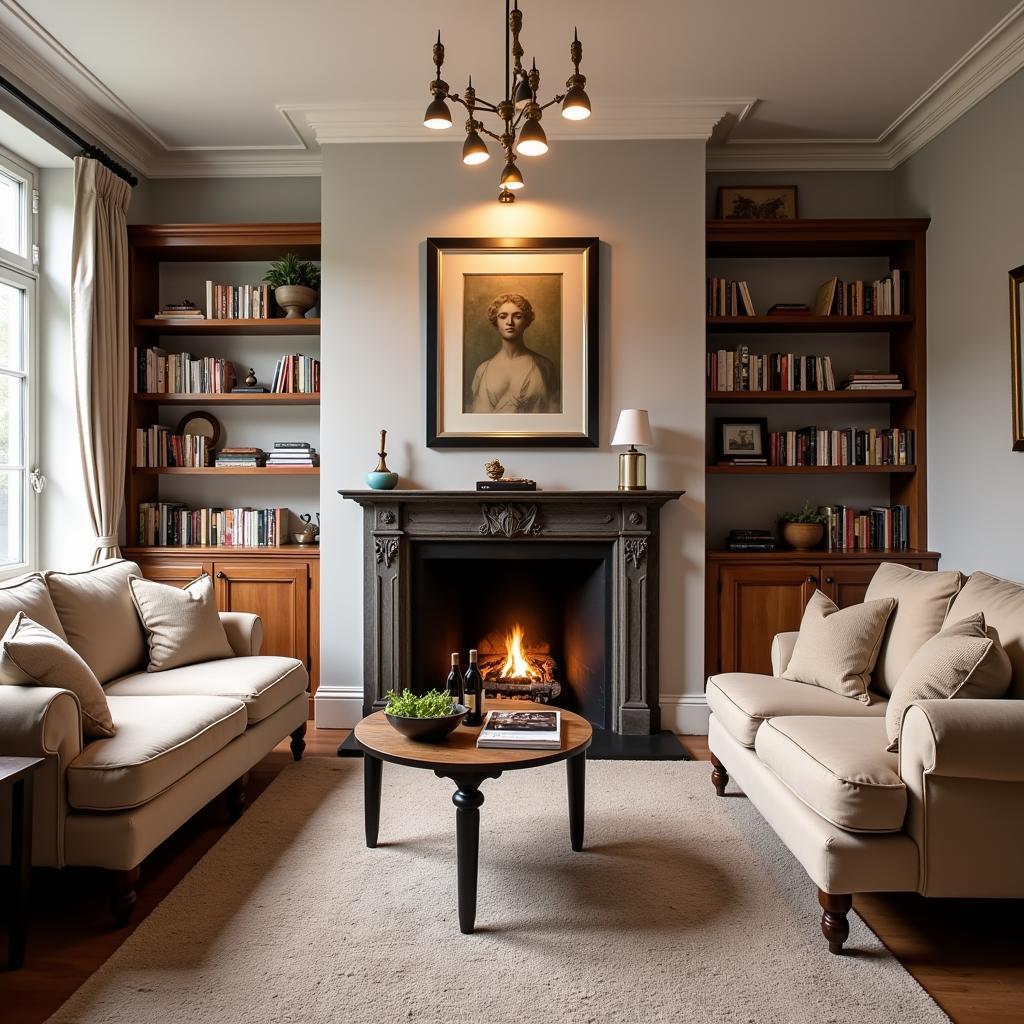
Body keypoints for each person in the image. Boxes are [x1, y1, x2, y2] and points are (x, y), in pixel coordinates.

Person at [469, 293, 559, 413]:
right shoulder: (482, 370)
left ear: (526, 321)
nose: (509, 322)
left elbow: (554, 414)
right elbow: (475, 419)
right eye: (503, 316)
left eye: (517, 316)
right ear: (495, 321)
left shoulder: (544, 367)